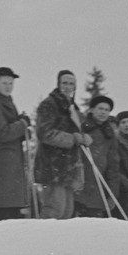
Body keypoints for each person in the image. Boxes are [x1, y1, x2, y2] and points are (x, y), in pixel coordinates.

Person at [34, 70, 91, 219]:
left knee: (67, 212)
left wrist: (84, 138)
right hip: (52, 167)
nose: (67, 87)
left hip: (68, 169)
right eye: (64, 83)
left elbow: (78, 131)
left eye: (71, 84)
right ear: (58, 84)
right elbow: (44, 133)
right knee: (54, 211)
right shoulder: (49, 104)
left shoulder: (72, 108)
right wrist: (72, 139)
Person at [0, 67, 30, 221]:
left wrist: (22, 130)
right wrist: (22, 124)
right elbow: (1, 133)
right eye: (4, 83)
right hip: (1, 168)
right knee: (3, 215)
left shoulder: (5, 102)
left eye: (11, 83)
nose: (8, 87)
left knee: (9, 214)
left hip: (7, 168)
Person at [75, 95, 120, 217]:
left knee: (95, 222)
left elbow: (113, 166)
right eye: (100, 108)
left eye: (107, 110)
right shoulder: (82, 128)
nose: (103, 112)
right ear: (92, 109)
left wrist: (112, 194)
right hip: (81, 184)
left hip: (99, 187)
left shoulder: (109, 134)